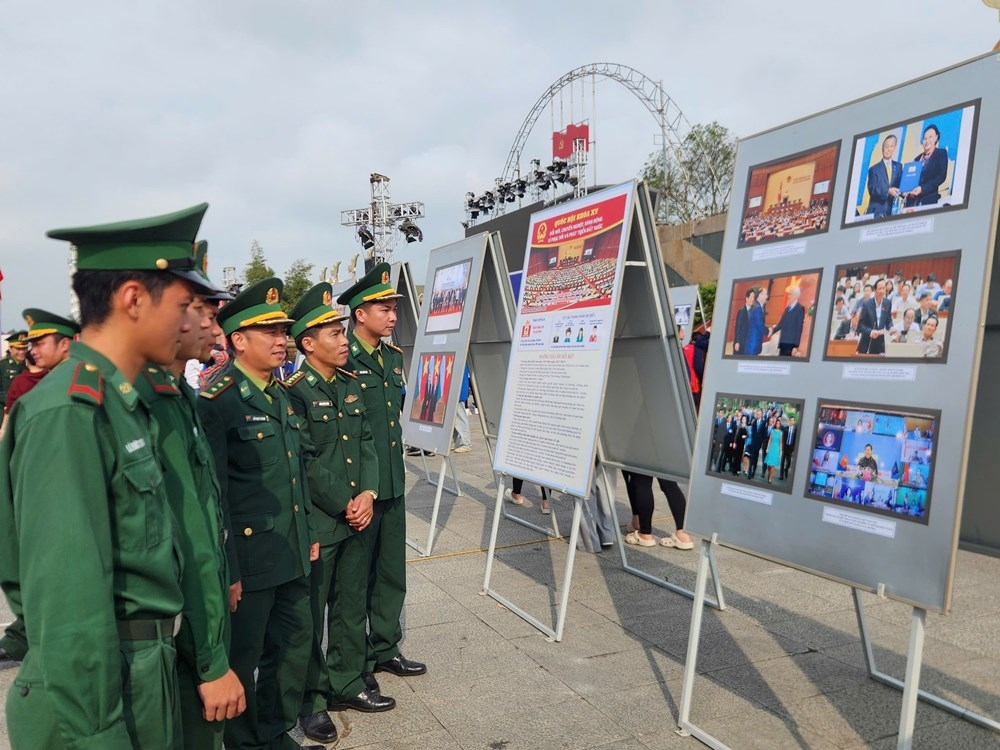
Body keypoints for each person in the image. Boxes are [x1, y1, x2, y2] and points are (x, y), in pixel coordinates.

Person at [0, 203, 217, 748]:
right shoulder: (70, 412)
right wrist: (97, 735)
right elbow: (66, 603)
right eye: (182, 306)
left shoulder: (123, 402)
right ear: (134, 299)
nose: (189, 324)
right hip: (98, 689)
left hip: (140, 669)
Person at [199, 278, 322, 750]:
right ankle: (245, 743)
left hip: (290, 548)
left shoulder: (280, 393)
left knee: (292, 646)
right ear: (237, 340)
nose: (281, 340)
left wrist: (308, 531)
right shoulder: (218, 401)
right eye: (269, 332)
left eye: (283, 331)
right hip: (249, 560)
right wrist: (228, 569)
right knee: (244, 656)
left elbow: (296, 471)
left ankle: (275, 731)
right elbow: (214, 496)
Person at [134, 245, 246, 749]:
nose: (215, 331)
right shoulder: (133, 406)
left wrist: (226, 574)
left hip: (195, 620)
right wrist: (210, 661)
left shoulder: (182, 398)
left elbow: (205, 521)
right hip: (159, 641)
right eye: (200, 311)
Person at [285, 284, 393, 737]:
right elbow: (304, 459)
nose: (344, 339)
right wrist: (344, 502)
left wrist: (368, 493)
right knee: (310, 615)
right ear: (309, 344)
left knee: (350, 604)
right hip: (322, 520)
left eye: (342, 331)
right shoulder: (294, 392)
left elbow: (366, 441)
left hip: (357, 515)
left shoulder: (350, 383)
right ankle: (310, 699)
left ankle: (347, 681)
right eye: (334, 333)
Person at [338, 263, 428, 686]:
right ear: (360, 314)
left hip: (392, 482)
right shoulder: (342, 360)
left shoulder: (392, 357)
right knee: (354, 581)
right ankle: (354, 662)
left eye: (394, 308)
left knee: (391, 573)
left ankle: (385, 648)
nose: (393, 316)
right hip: (359, 491)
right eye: (384, 309)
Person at [904, 124, 949, 207]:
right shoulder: (917, 159)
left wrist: (922, 189)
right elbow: (910, 179)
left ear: (936, 138)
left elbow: (941, 177)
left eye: (930, 137)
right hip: (912, 203)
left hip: (928, 201)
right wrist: (906, 190)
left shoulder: (941, 154)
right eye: (925, 138)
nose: (927, 140)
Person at [866, 133, 902, 218]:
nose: (888, 149)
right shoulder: (873, 169)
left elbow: (901, 186)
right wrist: (888, 190)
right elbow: (873, 189)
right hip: (876, 213)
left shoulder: (899, 167)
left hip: (892, 212)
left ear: (894, 148)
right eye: (886, 146)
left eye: (891, 146)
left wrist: (905, 191)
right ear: (882, 148)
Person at [856, 279, 892, 354]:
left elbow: (888, 320)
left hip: (880, 344)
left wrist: (891, 327)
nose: (882, 291)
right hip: (867, 344)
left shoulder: (887, 303)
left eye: (883, 288)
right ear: (875, 290)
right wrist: (871, 332)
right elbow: (860, 326)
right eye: (879, 288)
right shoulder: (867, 304)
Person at [768, 285, 805, 356]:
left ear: (795, 296)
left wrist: (795, 346)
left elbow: (799, 329)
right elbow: (780, 324)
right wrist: (771, 331)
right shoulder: (787, 309)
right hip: (783, 343)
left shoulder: (800, 309)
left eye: (790, 294)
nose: (788, 296)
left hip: (790, 345)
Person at [0, 330, 28, 411]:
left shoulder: (30, 365)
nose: (22, 352)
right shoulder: (2, 365)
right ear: (10, 348)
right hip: (5, 409)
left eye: (24, 348)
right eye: (18, 349)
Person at [452, 366, 473, 453]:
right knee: (452, 419)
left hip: (457, 390)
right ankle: (455, 442)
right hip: (452, 390)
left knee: (460, 417)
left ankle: (466, 443)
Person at [745, 286, 768, 356]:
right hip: (753, 346)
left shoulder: (757, 306)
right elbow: (760, 324)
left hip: (753, 345)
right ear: (760, 295)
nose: (767, 296)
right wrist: (767, 332)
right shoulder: (757, 308)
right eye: (765, 294)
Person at [733, 289, 755, 353]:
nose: (752, 299)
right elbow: (738, 327)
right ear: (746, 299)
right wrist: (737, 341)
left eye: (754, 297)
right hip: (741, 344)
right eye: (751, 297)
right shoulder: (741, 311)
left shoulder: (754, 312)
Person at [763, 417, 783, 483]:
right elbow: (770, 440)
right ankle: (769, 473)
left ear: (780, 425)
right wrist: (767, 448)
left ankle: (770, 478)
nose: (777, 425)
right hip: (771, 448)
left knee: (773, 465)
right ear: (775, 424)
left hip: (776, 449)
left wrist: (780, 451)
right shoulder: (772, 431)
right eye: (777, 423)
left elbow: (780, 442)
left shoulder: (781, 433)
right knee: (769, 464)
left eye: (779, 424)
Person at [779, 416, 797, 481]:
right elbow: (782, 438)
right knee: (782, 462)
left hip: (790, 448)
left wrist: (793, 448)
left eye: (793, 420)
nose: (791, 421)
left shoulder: (796, 430)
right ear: (789, 421)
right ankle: (781, 475)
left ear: (794, 422)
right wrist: (781, 446)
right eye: (790, 420)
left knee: (788, 462)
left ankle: (786, 469)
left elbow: (796, 440)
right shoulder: (785, 428)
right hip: (785, 447)